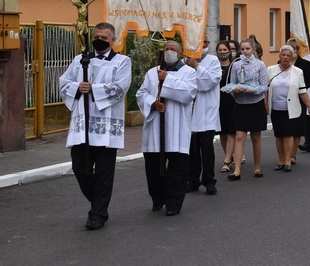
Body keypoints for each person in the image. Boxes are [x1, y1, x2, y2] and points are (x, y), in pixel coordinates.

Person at [59, 22, 131, 230]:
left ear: (113, 40)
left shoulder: (122, 61)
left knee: (104, 172)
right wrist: (76, 86)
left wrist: (93, 89)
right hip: (83, 124)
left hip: (107, 125)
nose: (99, 40)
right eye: (96, 36)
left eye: (104, 37)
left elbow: (120, 88)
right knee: (80, 168)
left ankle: (98, 214)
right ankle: (98, 200)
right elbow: (64, 82)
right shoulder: (80, 60)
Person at [137, 40, 197, 216]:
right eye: (167, 49)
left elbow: (188, 94)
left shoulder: (188, 73)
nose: (169, 51)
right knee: (153, 166)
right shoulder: (151, 73)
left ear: (180, 54)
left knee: (177, 168)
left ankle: (173, 203)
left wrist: (167, 79)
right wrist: (153, 103)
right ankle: (157, 197)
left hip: (177, 126)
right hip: (156, 125)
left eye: (173, 49)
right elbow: (141, 93)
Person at [266, 45, 310, 172]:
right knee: (279, 135)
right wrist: (265, 104)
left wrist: (309, 106)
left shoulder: (298, 72)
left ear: (292, 57)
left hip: (291, 108)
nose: (285, 57)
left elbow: (302, 91)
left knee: (288, 135)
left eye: (288, 55)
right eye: (283, 55)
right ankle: (280, 160)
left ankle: (288, 160)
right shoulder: (270, 70)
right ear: (279, 56)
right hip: (276, 108)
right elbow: (265, 89)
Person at [227, 38, 268, 179]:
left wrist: (253, 90)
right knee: (239, 136)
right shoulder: (236, 65)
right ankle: (237, 169)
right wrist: (235, 90)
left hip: (255, 104)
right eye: (242, 49)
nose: (245, 52)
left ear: (253, 50)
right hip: (240, 105)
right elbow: (231, 83)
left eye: (247, 49)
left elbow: (264, 86)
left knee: (256, 137)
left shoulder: (260, 65)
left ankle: (257, 167)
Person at [186, 38, 222, 195]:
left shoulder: (213, 60)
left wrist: (197, 66)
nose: (203, 43)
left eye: (205, 41)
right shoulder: (185, 60)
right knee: (192, 150)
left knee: (206, 148)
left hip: (207, 112)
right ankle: (193, 180)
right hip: (190, 111)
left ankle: (209, 181)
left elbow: (209, 83)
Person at [287, 38, 310, 164]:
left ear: (297, 50)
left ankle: (293, 154)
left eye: (292, 48)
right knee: (286, 129)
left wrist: (298, 87)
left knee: (297, 128)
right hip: (285, 99)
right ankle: (285, 154)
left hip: (299, 99)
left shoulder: (304, 64)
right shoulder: (281, 63)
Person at [215, 41, 237, 173]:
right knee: (222, 132)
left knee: (231, 131)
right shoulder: (214, 67)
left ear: (230, 51)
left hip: (232, 101)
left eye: (225, 50)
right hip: (217, 101)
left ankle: (228, 160)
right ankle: (228, 156)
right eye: (220, 50)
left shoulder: (234, 66)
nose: (222, 52)